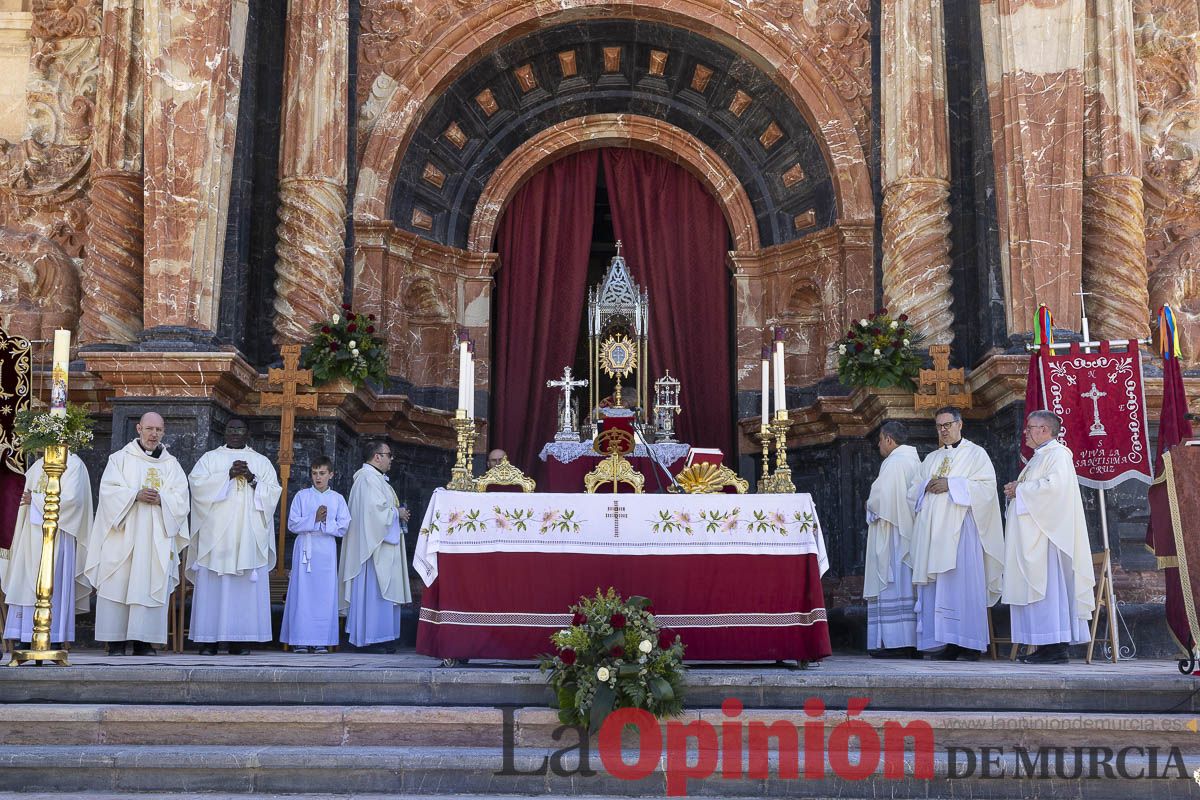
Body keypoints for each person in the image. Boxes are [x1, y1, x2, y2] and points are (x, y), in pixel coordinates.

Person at [84, 412, 190, 656]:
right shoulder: (120, 459)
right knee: (118, 583)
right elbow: (109, 492)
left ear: (164, 432)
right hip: (123, 535)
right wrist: (134, 495)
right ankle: (116, 642)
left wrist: (163, 499)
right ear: (138, 429)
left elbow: (182, 499)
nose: (154, 434)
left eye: (159, 430)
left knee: (148, 581)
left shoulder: (171, 465)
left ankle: (143, 642)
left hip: (155, 539)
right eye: (149, 429)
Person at [908, 407, 1005, 661]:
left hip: (962, 532)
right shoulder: (930, 459)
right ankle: (947, 641)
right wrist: (923, 487)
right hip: (933, 536)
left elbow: (986, 488)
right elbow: (912, 491)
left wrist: (952, 485)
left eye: (948, 425)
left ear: (960, 424)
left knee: (963, 585)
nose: (944, 430)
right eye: (939, 426)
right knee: (940, 589)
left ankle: (970, 643)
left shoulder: (976, 454)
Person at [1003, 411, 1095, 664]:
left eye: (1030, 428)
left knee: (1049, 591)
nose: (1026, 433)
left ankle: (1056, 648)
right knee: (1039, 591)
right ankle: (1044, 645)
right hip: (1035, 536)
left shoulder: (1058, 456)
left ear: (1044, 429)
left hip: (1047, 539)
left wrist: (1019, 490)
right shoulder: (1040, 457)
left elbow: (1054, 489)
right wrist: (1017, 490)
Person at [187, 419, 282, 655]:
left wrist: (251, 479)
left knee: (241, 590)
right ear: (225, 432)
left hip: (247, 537)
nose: (236, 433)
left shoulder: (261, 462)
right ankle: (208, 641)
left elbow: (273, 494)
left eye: (240, 429)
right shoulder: (209, 459)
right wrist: (226, 475)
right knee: (214, 586)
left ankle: (240, 640)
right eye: (231, 429)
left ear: (248, 432)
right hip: (217, 537)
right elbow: (196, 486)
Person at [1, 451, 93, 647]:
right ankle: (26, 636)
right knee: (27, 580)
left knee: (54, 580)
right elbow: (22, 492)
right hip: (30, 533)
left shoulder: (73, 464)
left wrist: (34, 499)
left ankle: (54, 636)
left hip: (58, 533)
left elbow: (73, 501)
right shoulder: (38, 465)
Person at [340, 441, 412, 651]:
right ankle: (370, 638)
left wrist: (397, 513)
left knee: (381, 591)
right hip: (372, 550)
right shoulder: (367, 479)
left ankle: (381, 637)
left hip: (379, 543)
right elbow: (373, 512)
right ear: (377, 456)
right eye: (389, 455)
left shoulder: (376, 479)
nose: (391, 459)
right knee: (374, 590)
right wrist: (396, 513)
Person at [863, 421, 922, 658]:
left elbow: (880, 501)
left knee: (893, 586)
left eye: (880, 439)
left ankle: (897, 643)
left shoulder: (894, 463)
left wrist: (868, 505)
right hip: (908, 534)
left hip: (893, 536)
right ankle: (911, 641)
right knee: (907, 586)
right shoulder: (914, 460)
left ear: (889, 439)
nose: (879, 445)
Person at [281, 456, 350, 653]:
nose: (317, 478)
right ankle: (300, 639)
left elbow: (344, 526)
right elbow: (292, 523)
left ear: (331, 475)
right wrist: (313, 518)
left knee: (324, 594)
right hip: (306, 547)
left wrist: (325, 522)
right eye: (314, 473)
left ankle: (321, 640)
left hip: (326, 550)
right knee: (303, 593)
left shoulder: (337, 499)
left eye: (322, 473)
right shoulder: (302, 496)